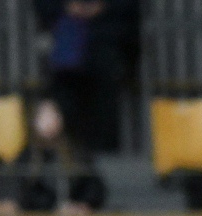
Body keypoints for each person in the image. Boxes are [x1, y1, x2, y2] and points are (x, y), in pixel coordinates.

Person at [35, 1, 141, 155]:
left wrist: (103, 7)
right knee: (61, 117)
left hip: (105, 56)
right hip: (70, 57)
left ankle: (94, 159)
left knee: (103, 128)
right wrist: (67, 6)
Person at [16, 97, 107, 214]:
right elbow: (23, 195)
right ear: (34, 121)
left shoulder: (75, 151)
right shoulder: (27, 156)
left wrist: (83, 204)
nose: (49, 122)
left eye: (53, 115)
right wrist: (53, 207)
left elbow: (93, 185)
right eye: (44, 117)